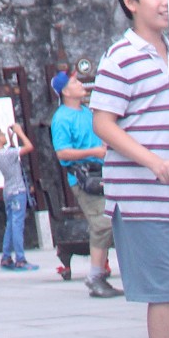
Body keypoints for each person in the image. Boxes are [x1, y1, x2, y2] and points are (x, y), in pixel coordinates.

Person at [90, 0, 169, 338]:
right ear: (130, 3)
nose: (165, 1)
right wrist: (151, 161)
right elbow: (103, 123)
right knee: (165, 294)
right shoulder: (120, 57)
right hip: (144, 199)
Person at [50, 66, 120, 294]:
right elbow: (62, 153)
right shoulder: (61, 118)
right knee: (102, 224)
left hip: (103, 173)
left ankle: (101, 272)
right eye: (75, 83)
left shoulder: (87, 112)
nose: (81, 85)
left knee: (111, 221)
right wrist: (94, 152)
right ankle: (95, 276)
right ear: (65, 92)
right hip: (84, 178)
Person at [0, 121, 37, 269]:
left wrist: (11, 137)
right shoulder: (7, 154)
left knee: (11, 224)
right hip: (17, 191)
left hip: (8, 191)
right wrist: (20, 133)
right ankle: (20, 258)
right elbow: (29, 147)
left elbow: (13, 153)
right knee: (17, 225)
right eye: (2, 135)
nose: (4, 136)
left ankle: (6, 256)